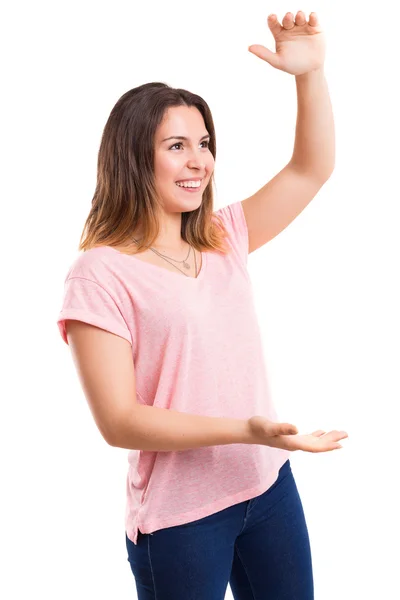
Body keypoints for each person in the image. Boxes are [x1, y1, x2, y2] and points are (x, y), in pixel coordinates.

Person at [56, 10, 348, 600]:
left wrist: (310, 75)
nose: (199, 161)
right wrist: (248, 428)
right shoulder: (99, 273)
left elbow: (311, 169)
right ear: (135, 156)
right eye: (177, 146)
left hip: (268, 488)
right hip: (181, 518)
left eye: (204, 144)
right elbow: (119, 421)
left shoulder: (222, 235)